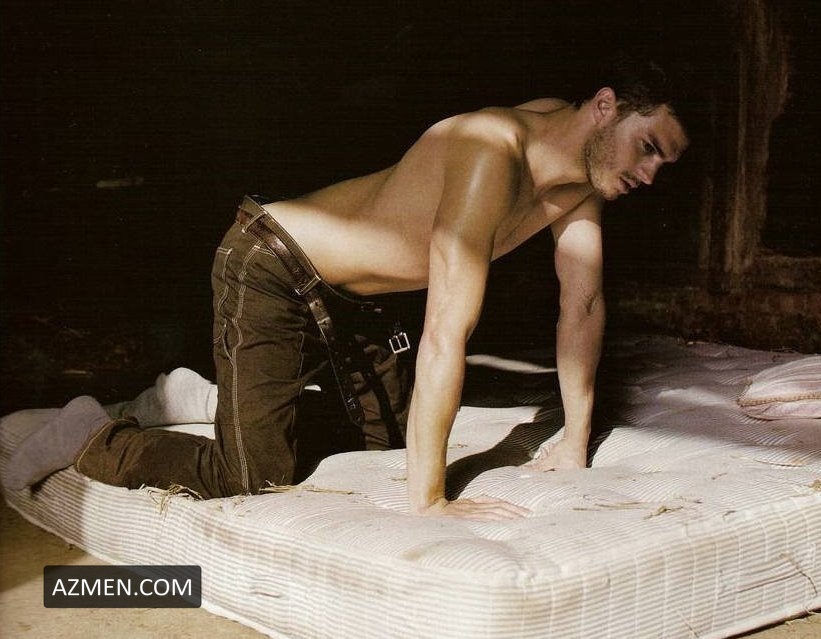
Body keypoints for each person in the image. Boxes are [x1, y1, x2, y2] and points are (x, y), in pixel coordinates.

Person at [5, 56, 689, 520]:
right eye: (648, 146)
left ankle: (200, 397)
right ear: (604, 107)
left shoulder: (579, 170)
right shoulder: (492, 152)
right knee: (252, 475)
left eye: (666, 160)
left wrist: (573, 441)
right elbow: (446, 330)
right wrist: (430, 502)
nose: (651, 174)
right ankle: (93, 433)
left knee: (386, 435)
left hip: (360, 301)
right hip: (273, 263)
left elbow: (582, 303)